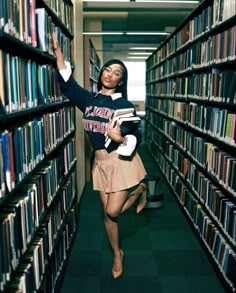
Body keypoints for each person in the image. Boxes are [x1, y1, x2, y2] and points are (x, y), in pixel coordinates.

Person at [51, 32, 147, 279]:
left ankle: (139, 191)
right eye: (107, 69)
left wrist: (120, 139)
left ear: (121, 81)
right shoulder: (90, 99)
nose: (109, 74)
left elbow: (135, 137)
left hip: (120, 161)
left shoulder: (123, 105)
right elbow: (69, 85)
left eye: (117, 73)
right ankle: (117, 253)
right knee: (107, 214)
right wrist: (59, 56)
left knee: (113, 212)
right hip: (100, 162)